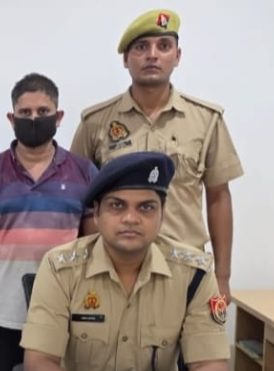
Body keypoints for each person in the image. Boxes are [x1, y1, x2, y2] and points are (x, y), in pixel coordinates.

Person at [21, 152, 229, 371]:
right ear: (96, 213)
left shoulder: (195, 273)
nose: (131, 218)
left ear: (162, 214)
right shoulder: (61, 268)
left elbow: (213, 369)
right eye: (117, 206)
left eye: (146, 208)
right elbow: (37, 368)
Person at [69, 9, 243, 302]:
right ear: (126, 59)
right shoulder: (95, 123)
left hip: (185, 269)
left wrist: (222, 277)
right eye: (141, 47)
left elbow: (218, 197)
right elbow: (79, 200)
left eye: (163, 46)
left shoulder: (206, 120)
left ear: (177, 56)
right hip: (114, 268)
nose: (152, 55)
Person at [0, 73, 97, 371]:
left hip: (67, 314)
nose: (34, 119)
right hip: (5, 315)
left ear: (58, 117)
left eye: (43, 112)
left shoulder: (84, 172)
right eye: (25, 113)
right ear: (12, 118)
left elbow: (95, 246)